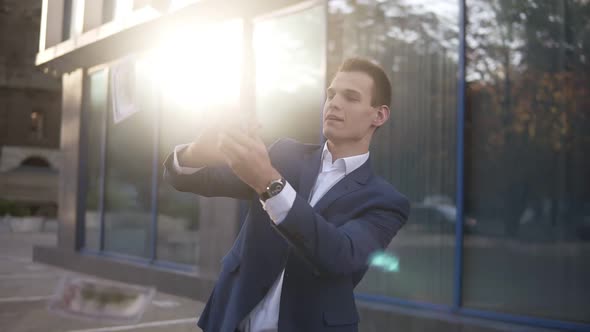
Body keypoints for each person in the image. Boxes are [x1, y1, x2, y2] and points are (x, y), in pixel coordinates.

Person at [163, 58, 410, 332]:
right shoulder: (284, 155)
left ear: (379, 115)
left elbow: (341, 255)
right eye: (331, 94)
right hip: (231, 320)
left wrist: (271, 184)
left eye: (350, 97)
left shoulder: (386, 202)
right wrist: (195, 154)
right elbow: (198, 180)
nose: (334, 103)